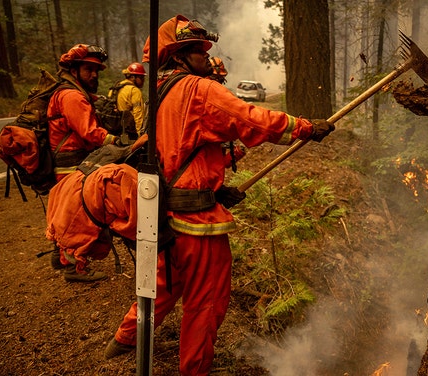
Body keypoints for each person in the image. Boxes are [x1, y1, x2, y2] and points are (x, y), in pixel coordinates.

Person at [104, 15, 334, 375]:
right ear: (179, 57)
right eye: (197, 50)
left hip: (163, 216)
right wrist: (305, 127)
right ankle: (194, 370)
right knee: (205, 302)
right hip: (196, 228)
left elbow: (179, 151)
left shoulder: (160, 94)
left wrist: (213, 187)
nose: (206, 57)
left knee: (162, 285)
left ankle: (125, 338)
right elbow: (252, 119)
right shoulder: (198, 89)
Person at [47, 43, 120, 278]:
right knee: (76, 216)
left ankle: (60, 254)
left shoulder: (74, 93)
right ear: (74, 70)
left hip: (69, 161)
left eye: (97, 70)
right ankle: (73, 266)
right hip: (71, 163)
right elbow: (90, 132)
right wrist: (117, 142)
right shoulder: (72, 96)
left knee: (65, 211)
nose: (94, 74)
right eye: (88, 69)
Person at [113, 62, 147, 137]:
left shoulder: (118, 87)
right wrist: (139, 134)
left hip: (116, 130)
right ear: (132, 77)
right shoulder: (134, 91)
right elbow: (138, 114)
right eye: (141, 78)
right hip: (130, 131)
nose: (143, 80)